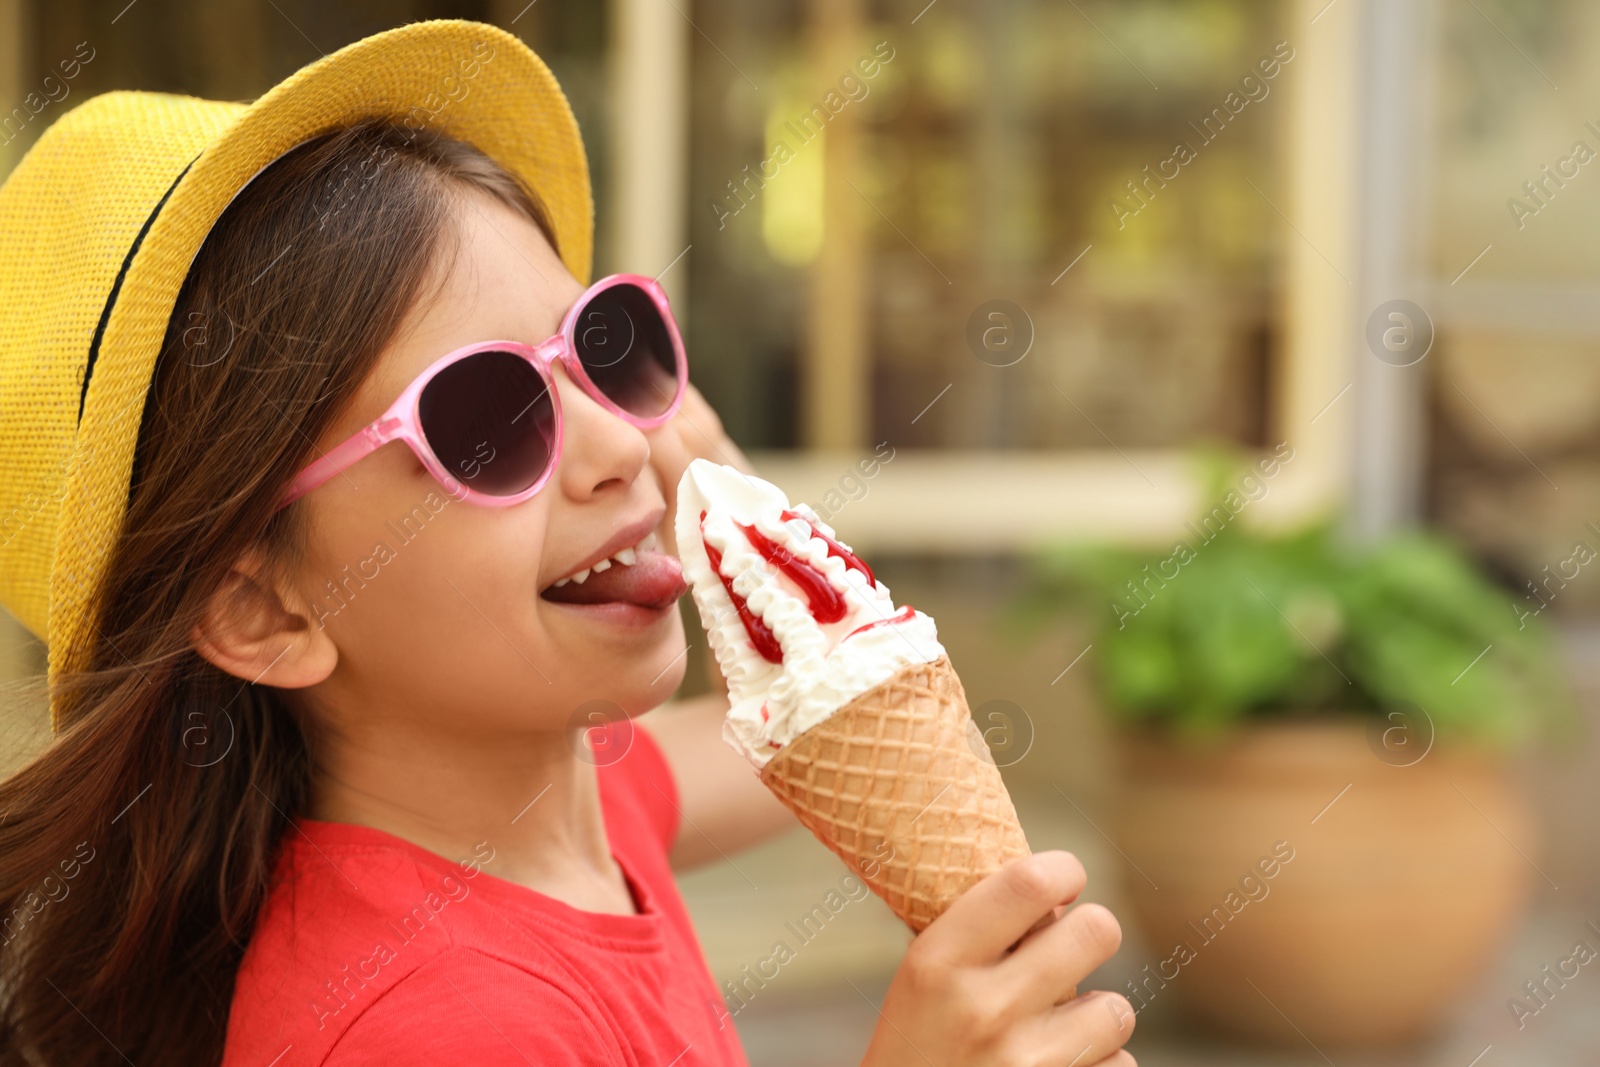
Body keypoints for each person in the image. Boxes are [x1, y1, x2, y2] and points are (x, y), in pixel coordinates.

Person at [0, 20, 1135, 1067]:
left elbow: (827, 710)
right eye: (487, 417)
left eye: (605, 346)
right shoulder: (437, 1027)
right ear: (263, 610)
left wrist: (723, 496)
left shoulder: (569, 808)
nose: (611, 442)